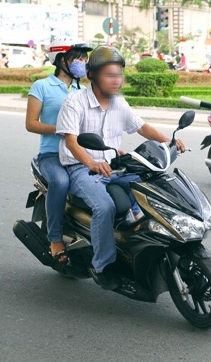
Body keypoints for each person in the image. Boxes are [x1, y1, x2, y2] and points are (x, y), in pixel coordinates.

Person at [55, 46, 186, 290]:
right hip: (82, 169)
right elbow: (72, 141)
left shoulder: (119, 103)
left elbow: (142, 127)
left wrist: (168, 141)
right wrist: (92, 162)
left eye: (118, 75)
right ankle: (102, 266)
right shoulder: (74, 102)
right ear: (92, 74)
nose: (116, 80)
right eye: (109, 74)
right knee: (104, 206)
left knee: (152, 186)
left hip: (115, 165)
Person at [25, 37, 93, 264]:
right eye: (78, 57)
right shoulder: (42, 86)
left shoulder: (82, 90)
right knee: (61, 183)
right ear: (61, 59)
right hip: (51, 155)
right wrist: (61, 130)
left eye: (84, 58)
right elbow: (31, 123)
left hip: (78, 153)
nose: (82, 62)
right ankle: (55, 239)